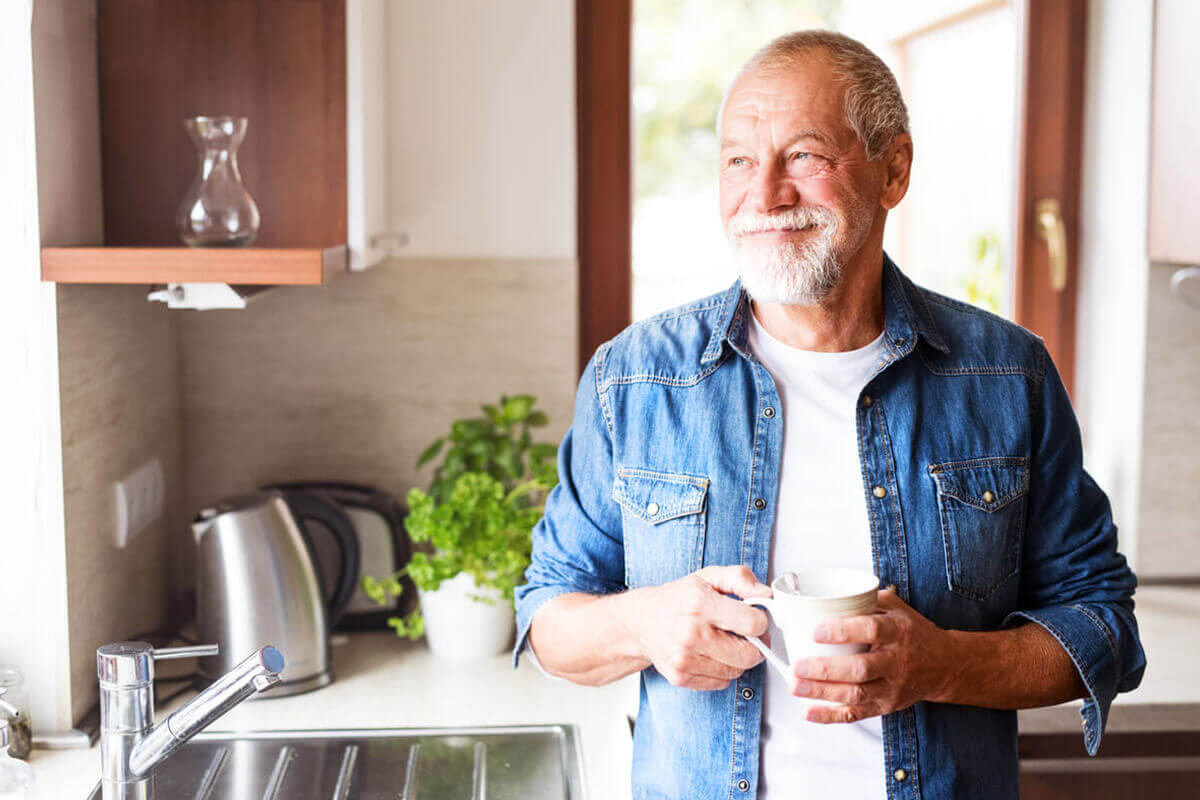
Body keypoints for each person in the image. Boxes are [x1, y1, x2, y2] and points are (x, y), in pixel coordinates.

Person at [513, 29, 1145, 800]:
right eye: (740, 160)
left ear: (894, 170)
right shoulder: (636, 378)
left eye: (804, 156)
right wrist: (639, 624)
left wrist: (944, 664)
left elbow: (1104, 626)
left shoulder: (1007, 376)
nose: (765, 195)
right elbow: (548, 618)